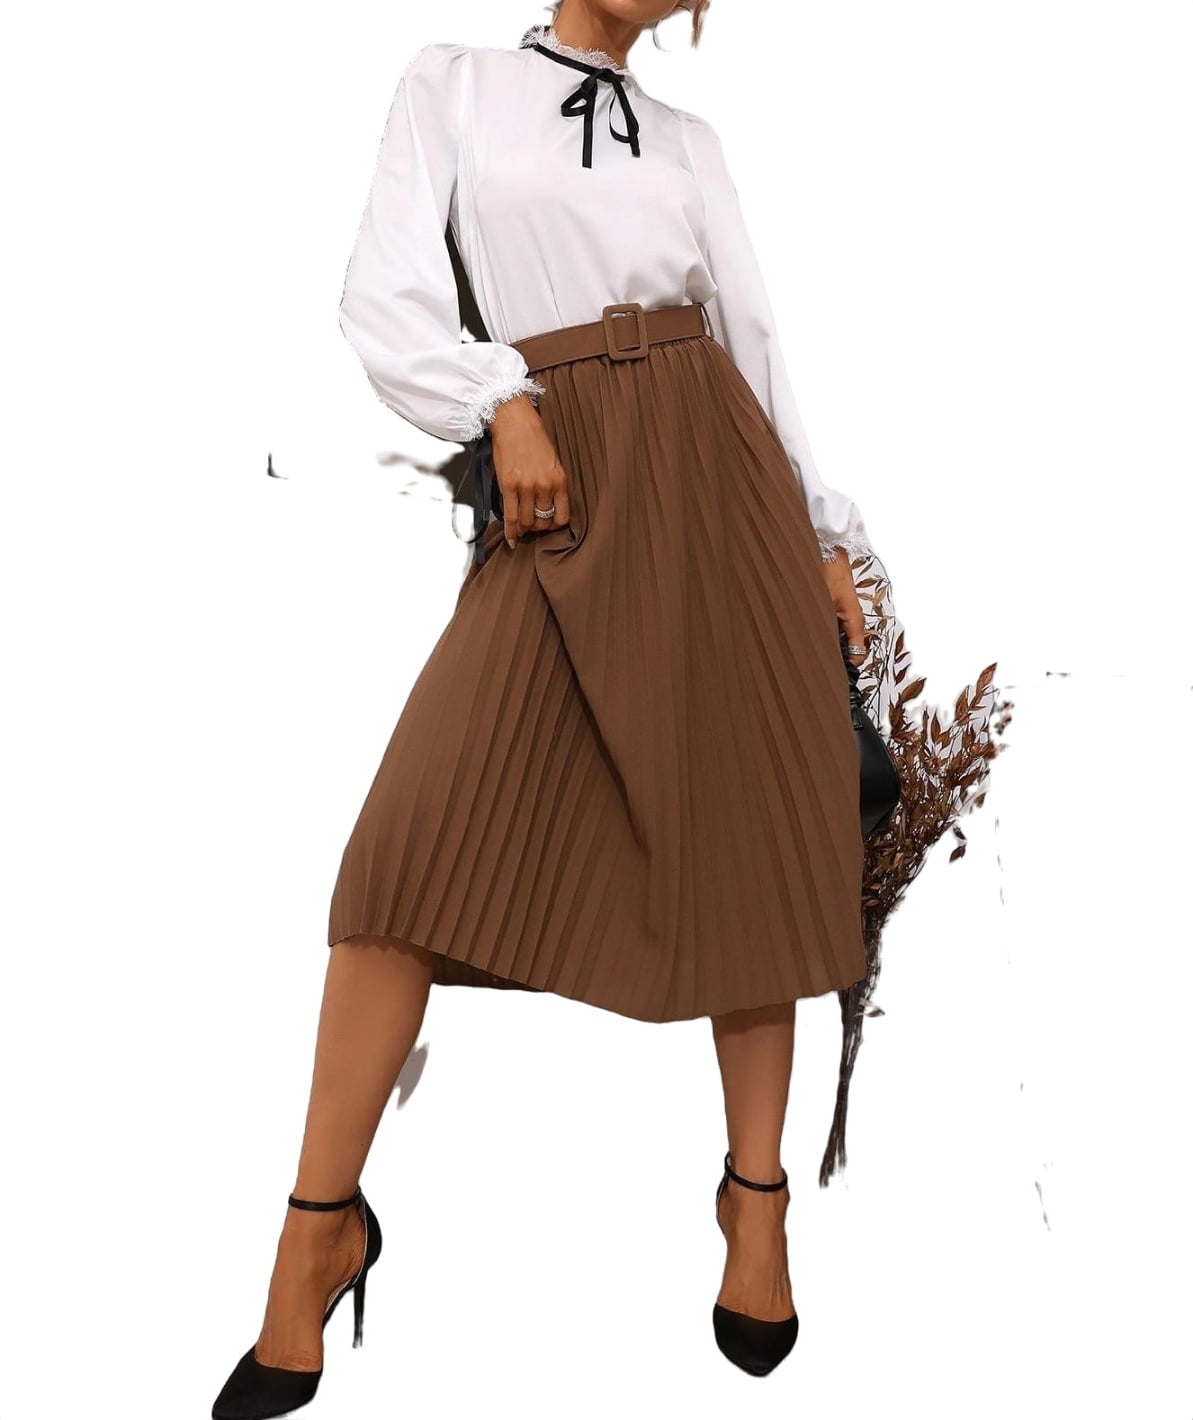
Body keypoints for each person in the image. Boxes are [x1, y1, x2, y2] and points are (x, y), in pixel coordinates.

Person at [212, 3, 877, 1413]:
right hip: (560, 472)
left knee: (749, 842)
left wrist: (826, 536)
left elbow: (754, 338)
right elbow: (385, 296)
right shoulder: (453, 84)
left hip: (717, 478)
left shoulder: (690, 140)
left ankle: (755, 1202)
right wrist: (499, 404)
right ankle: (318, 1227)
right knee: (404, 857)